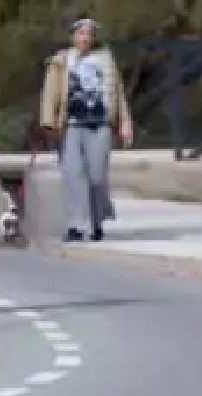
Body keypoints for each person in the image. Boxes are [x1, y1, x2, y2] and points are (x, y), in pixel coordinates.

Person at [39, 17, 134, 242]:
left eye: (89, 34)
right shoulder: (61, 60)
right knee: (73, 174)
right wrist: (47, 121)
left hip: (100, 124)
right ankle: (75, 224)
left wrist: (125, 123)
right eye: (81, 33)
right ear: (73, 36)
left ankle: (96, 222)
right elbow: (49, 92)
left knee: (96, 176)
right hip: (70, 124)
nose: (85, 38)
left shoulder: (105, 59)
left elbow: (118, 93)